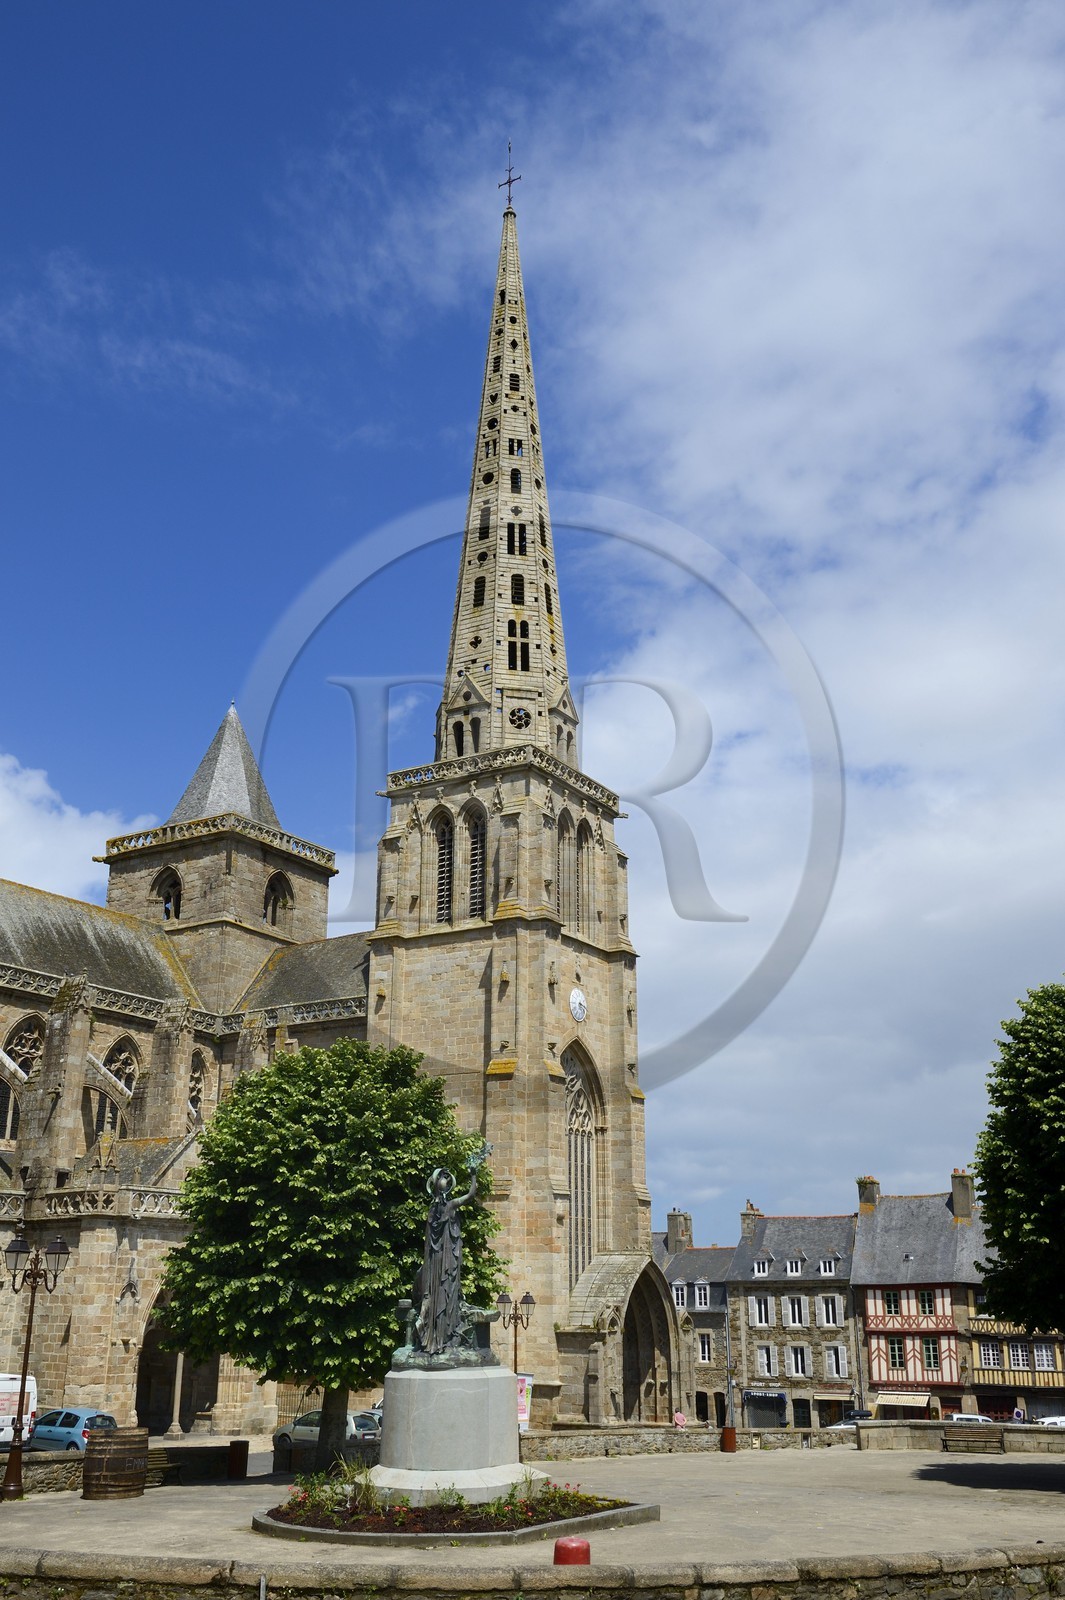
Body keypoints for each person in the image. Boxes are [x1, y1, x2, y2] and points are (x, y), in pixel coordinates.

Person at [413, 1154, 484, 1355]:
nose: (443, 1182)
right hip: (436, 1261)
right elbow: (429, 1239)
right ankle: (433, 1339)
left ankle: (445, 1338)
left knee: (447, 1295)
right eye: (441, 1179)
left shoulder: (450, 1205)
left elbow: (470, 1195)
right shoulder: (434, 1209)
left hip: (446, 1261)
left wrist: (473, 1176)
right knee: (435, 1296)